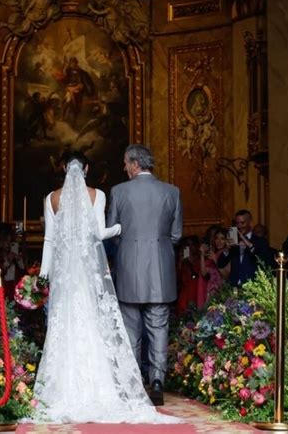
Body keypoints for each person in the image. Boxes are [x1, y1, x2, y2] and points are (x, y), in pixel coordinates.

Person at [29, 151, 178, 424]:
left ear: (63, 168)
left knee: (63, 328)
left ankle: (62, 387)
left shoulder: (51, 198)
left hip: (65, 276)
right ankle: (101, 385)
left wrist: (43, 276)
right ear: (86, 169)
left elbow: (49, 241)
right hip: (87, 275)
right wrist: (119, 228)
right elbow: (99, 233)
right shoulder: (98, 195)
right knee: (92, 327)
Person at [107, 144, 183, 406]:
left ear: (135, 164)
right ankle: (158, 380)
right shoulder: (172, 192)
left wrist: (129, 250)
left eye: (126, 163)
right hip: (160, 269)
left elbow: (112, 232)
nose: (124, 168)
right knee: (158, 326)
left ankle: (133, 381)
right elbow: (176, 235)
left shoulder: (118, 191)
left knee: (130, 327)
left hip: (129, 266)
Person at [218, 209, 268, 287]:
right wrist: (226, 249)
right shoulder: (234, 241)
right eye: (237, 223)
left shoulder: (260, 241)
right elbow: (220, 264)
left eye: (242, 223)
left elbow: (261, 260)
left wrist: (248, 244)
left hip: (253, 287)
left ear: (250, 222)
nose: (239, 226)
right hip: (234, 288)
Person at [198, 227, 228, 308]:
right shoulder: (214, 253)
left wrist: (216, 260)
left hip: (223, 290)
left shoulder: (227, 253)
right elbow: (204, 274)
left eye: (222, 239)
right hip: (211, 291)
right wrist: (202, 255)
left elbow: (226, 275)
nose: (219, 242)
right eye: (216, 238)